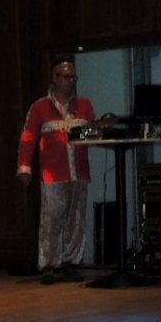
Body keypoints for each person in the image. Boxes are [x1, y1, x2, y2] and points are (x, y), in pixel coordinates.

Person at [17, 58, 96, 284]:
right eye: (67, 77)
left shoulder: (84, 105)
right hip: (52, 173)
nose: (71, 81)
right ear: (55, 78)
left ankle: (71, 263)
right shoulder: (40, 107)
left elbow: (94, 132)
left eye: (73, 77)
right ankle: (50, 265)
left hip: (79, 172)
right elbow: (28, 137)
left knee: (76, 219)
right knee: (51, 219)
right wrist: (24, 166)